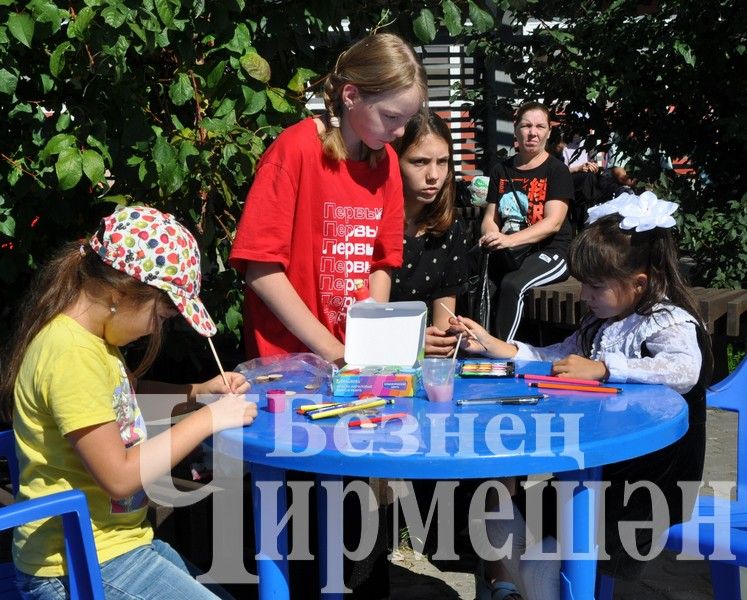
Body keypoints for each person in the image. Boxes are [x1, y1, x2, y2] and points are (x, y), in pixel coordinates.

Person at [453, 192, 713, 600]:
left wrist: (607, 368)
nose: (583, 296)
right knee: (490, 509)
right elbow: (555, 358)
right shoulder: (603, 320)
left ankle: (528, 583)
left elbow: (685, 371)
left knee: (543, 561)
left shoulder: (668, 322)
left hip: (644, 493)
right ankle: (526, 582)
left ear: (638, 284)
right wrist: (493, 345)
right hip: (594, 477)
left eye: (594, 286)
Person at [0, 205, 258, 599]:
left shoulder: (92, 342)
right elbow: (118, 479)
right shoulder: (70, 354)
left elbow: (119, 402)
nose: (158, 327)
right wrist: (208, 419)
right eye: (161, 314)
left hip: (118, 546)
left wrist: (198, 393)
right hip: (77, 565)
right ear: (122, 292)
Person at [229, 32, 426, 364]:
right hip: (289, 363)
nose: (400, 132)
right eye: (392, 117)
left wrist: (369, 344)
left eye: (407, 120)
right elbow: (261, 270)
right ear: (351, 95)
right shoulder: (295, 150)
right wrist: (333, 351)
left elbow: (381, 262)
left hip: (352, 359)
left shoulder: (388, 163)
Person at [480, 101, 574, 341]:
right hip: (512, 250)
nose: (533, 132)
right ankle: (471, 344)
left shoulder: (557, 170)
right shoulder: (501, 170)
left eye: (540, 126)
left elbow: (553, 223)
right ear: (516, 130)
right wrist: (492, 235)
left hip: (551, 252)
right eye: (526, 125)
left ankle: (501, 353)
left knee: (512, 284)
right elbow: (490, 218)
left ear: (549, 132)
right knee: (476, 277)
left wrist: (508, 240)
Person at [390, 110, 470, 356]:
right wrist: (410, 341)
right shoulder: (370, 223)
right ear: (394, 160)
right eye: (419, 162)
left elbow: (444, 319)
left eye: (442, 162)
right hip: (367, 352)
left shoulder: (450, 229)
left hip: (424, 359)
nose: (434, 175)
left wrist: (449, 339)